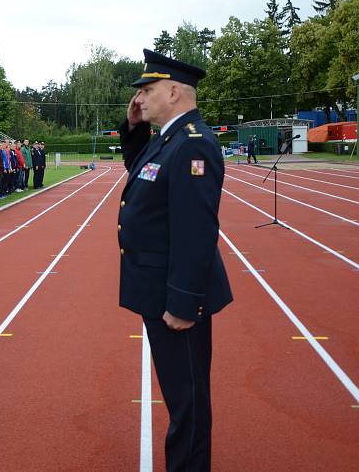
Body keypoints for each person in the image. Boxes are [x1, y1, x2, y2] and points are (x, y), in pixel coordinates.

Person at [118, 49, 233, 472]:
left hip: (176, 297)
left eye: (146, 90)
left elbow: (195, 231)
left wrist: (184, 303)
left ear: (173, 91)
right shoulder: (167, 140)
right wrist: (132, 126)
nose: (140, 98)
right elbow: (138, 168)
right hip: (158, 289)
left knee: (188, 401)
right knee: (179, 394)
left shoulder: (191, 145)